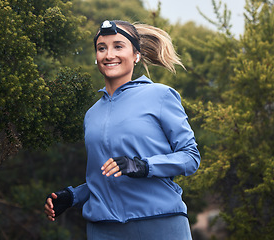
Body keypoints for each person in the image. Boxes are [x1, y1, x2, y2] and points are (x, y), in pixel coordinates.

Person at [44, 19, 201, 240]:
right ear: (96, 56)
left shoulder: (160, 95)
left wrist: (142, 166)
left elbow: (190, 158)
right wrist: (73, 197)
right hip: (104, 229)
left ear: (136, 55)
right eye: (102, 48)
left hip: (159, 223)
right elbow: (105, 176)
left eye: (118, 46)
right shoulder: (92, 114)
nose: (109, 55)